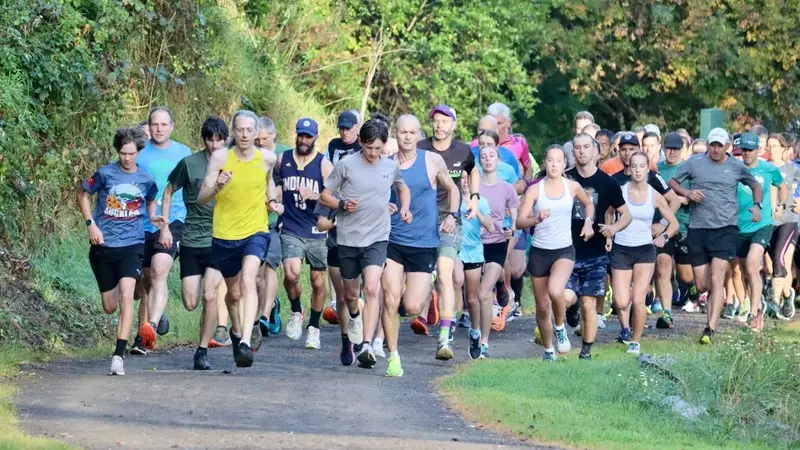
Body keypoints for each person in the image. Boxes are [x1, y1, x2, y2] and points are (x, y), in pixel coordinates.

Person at [319, 119, 411, 369]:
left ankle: (367, 345)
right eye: (369, 148)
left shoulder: (390, 167)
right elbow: (324, 195)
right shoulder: (345, 165)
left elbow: (402, 189)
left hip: (377, 237)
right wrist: (341, 205)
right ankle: (355, 318)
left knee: (372, 288)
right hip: (348, 239)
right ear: (361, 142)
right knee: (351, 294)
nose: (373, 153)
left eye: (378, 149)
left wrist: (404, 208)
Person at [198, 110, 278, 367]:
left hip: (256, 230)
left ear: (256, 133)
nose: (244, 134)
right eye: (240, 130)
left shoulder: (268, 158)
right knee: (233, 294)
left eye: (249, 130)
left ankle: (245, 340)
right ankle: (235, 330)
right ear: (234, 131)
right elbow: (202, 198)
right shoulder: (221, 157)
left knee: (249, 279)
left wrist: (273, 200)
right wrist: (217, 186)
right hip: (224, 234)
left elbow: (269, 182)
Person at [77, 126, 160, 375]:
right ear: (118, 152)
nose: (126, 158)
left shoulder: (145, 179)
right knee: (110, 306)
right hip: (104, 246)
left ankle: (118, 355)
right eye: (123, 153)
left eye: (131, 153)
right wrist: (91, 224)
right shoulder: (104, 174)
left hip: (132, 245)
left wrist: (154, 217)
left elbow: (151, 198)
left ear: (138, 153)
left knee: (126, 295)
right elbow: (82, 194)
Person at [668, 128, 762, 344]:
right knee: (701, 285)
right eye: (712, 145)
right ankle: (714, 297)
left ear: (728, 146)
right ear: (708, 145)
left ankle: (710, 328)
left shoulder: (736, 166)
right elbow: (673, 182)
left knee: (716, 277)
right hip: (698, 228)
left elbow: (755, 185)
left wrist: (757, 205)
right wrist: (688, 193)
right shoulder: (694, 163)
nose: (716, 149)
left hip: (725, 228)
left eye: (720, 145)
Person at [381, 114, 458, 376]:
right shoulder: (387, 163)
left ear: (418, 136)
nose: (407, 137)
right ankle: (392, 357)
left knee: (412, 307)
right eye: (402, 132)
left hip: (423, 241)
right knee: (390, 299)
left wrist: (452, 215)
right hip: (392, 239)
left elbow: (453, 189)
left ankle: (427, 287)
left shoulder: (432, 161)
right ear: (396, 133)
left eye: (412, 133)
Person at [160, 117, 228, 370]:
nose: (214, 144)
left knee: (210, 295)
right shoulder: (189, 164)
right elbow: (168, 191)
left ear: (225, 139)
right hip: (191, 239)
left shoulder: (234, 164)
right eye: (210, 139)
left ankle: (201, 351)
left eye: (219, 139)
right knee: (191, 302)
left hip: (220, 239)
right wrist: (164, 225)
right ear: (204, 140)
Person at [516, 145, 595, 362]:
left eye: (558, 161)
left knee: (555, 289)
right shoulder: (535, 189)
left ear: (564, 164)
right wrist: (536, 219)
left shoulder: (572, 187)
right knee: (542, 308)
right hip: (540, 251)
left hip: (563, 249)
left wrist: (589, 223)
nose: (554, 164)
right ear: (545, 162)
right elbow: (519, 221)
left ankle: (559, 326)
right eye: (550, 160)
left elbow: (588, 204)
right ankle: (549, 350)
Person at [414, 105, 480, 346]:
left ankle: (445, 332)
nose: (439, 125)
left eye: (444, 121)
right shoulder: (420, 148)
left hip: (449, 220)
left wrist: (474, 196)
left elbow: (473, 172)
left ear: (453, 124)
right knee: (419, 277)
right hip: (420, 220)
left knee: (445, 273)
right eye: (436, 121)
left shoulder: (463, 151)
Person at [563, 133, 631, 360]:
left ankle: (586, 350)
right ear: (573, 152)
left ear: (595, 151)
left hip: (596, 253)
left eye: (585, 147)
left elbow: (626, 215)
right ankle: (570, 310)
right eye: (577, 147)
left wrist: (613, 229)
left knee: (589, 302)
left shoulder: (607, 182)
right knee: (568, 297)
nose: (581, 151)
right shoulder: (564, 179)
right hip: (566, 251)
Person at [605, 152, 678, 355]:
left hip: (645, 250)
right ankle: (628, 323)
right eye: (634, 166)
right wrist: (609, 235)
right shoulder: (620, 190)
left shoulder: (654, 195)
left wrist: (663, 236)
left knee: (638, 299)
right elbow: (609, 212)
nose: (637, 170)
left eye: (641, 166)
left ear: (648, 169)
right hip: (622, 248)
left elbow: (674, 223)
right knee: (620, 301)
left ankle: (636, 341)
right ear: (630, 169)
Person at [135, 106, 192, 351]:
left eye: (164, 125)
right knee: (146, 279)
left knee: (159, 271)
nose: (159, 129)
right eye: (155, 125)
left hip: (173, 220)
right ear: (149, 127)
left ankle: (149, 329)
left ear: (172, 127)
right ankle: (150, 323)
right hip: (141, 222)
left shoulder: (183, 152)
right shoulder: (137, 152)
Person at [276, 118, 333, 349]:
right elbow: (275, 185)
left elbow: (333, 198)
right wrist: (274, 200)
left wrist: (315, 195)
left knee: (318, 282)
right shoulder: (283, 159)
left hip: (316, 229)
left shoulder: (323, 165)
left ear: (316, 139)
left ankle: (314, 327)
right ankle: (296, 310)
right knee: (291, 274)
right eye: (300, 135)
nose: (303, 140)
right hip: (290, 226)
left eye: (308, 137)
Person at [471, 145, 519, 358]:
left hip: (497, 242)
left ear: (498, 160)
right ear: (479, 161)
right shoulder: (475, 187)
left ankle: (484, 343)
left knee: (483, 294)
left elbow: (514, 217)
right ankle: (501, 282)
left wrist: (512, 228)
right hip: (474, 244)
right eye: (483, 156)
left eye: (492, 156)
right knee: (472, 295)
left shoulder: (507, 188)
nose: (488, 159)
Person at [733, 132, 784, 330]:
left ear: (758, 150)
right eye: (742, 149)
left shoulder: (768, 168)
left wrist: (779, 205)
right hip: (739, 226)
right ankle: (756, 300)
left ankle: (754, 314)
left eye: (749, 150)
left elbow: (781, 187)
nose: (745, 153)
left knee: (754, 265)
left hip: (762, 224)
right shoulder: (735, 169)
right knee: (746, 271)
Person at [656, 132, 698, 328]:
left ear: (682, 150)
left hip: (683, 225)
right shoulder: (656, 169)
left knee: (685, 275)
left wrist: (683, 199)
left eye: (675, 149)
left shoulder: (689, 169)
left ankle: (691, 287)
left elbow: (694, 197)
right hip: (662, 225)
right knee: (663, 267)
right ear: (663, 148)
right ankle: (666, 314)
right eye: (668, 148)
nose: (671, 152)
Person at [255, 115, 285, 340]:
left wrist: (274, 202)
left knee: (269, 267)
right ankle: (270, 304)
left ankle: (264, 316)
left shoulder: (284, 155)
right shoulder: (250, 155)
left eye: (264, 139)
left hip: (277, 222)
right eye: (257, 139)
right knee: (255, 275)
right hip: (251, 221)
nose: (260, 143)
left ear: (273, 135)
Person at [767, 133, 799, 320]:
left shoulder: (792, 169)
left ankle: (775, 302)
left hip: (789, 220)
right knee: (776, 265)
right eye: (769, 146)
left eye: (776, 146)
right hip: (769, 223)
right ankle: (788, 295)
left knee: (780, 258)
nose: (772, 150)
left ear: (784, 148)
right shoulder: (764, 168)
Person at [487, 102, 536, 179]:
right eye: (491, 123)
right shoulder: (478, 143)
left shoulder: (519, 143)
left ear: (508, 123)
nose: (494, 127)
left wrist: (525, 186)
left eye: (498, 123)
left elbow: (528, 168)